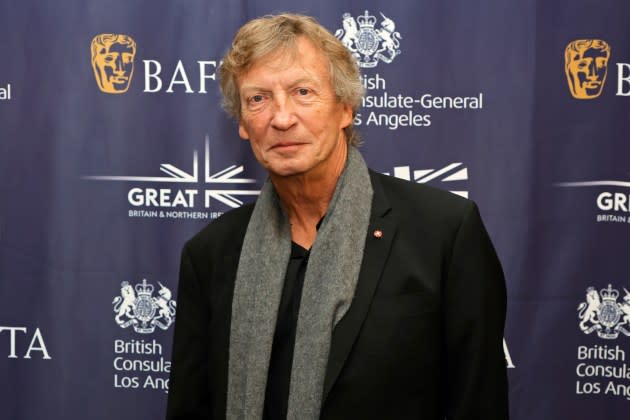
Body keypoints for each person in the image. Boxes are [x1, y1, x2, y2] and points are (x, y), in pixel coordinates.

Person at [167, 13, 508, 420]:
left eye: (302, 92)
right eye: (258, 99)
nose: (281, 117)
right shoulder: (211, 255)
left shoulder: (444, 234)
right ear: (243, 124)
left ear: (345, 108)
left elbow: (477, 403)